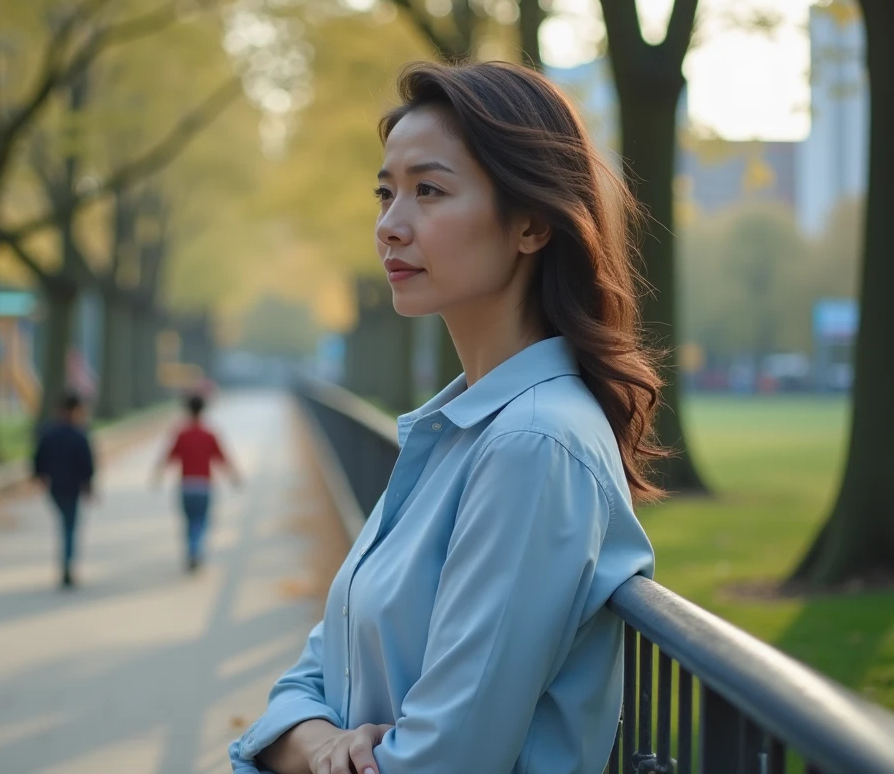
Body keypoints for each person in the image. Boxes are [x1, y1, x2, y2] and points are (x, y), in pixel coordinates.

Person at [229, 61, 660, 773]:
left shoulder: (532, 445)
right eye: (386, 193)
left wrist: (306, 752)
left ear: (531, 223)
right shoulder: (457, 431)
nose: (389, 227)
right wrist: (322, 748)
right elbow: (308, 682)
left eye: (428, 191)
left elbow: (441, 761)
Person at [153, 392, 241, 572]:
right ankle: (195, 550)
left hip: (186, 486)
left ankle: (191, 550)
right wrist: (234, 477)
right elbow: (222, 458)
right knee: (201, 520)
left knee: (189, 521)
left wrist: (158, 475)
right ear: (203, 410)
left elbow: (169, 457)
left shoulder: (181, 434)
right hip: (204, 486)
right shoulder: (209, 434)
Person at [33, 392, 97, 589]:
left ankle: (66, 563)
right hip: (72, 487)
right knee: (69, 526)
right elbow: (87, 463)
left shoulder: (48, 432)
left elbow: (38, 458)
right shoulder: (79, 433)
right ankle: (67, 564)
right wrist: (88, 485)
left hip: (55, 486)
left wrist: (40, 476)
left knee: (65, 523)